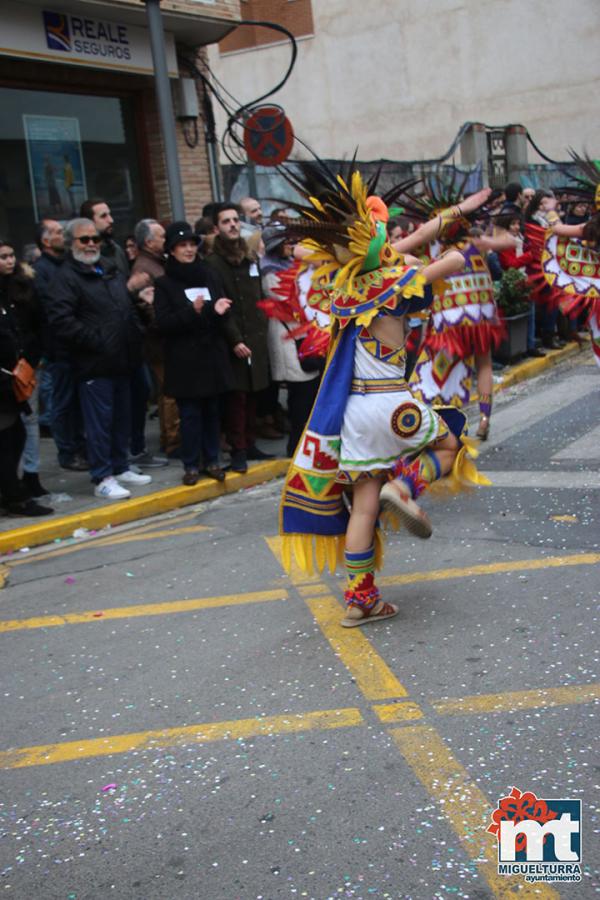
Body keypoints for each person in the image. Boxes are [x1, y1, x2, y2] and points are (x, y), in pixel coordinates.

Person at [279, 161, 490, 627]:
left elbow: (393, 250)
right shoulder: (396, 285)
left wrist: (439, 223)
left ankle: (360, 599)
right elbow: (454, 262)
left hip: (352, 414)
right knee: (451, 440)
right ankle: (407, 485)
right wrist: (449, 244)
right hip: (392, 405)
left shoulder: (343, 291)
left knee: (364, 502)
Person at [47, 218, 152, 500]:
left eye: (95, 238)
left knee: (121, 418)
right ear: (71, 244)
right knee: (99, 423)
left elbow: (125, 305)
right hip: (94, 362)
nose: (92, 243)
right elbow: (61, 321)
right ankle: (102, 475)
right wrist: (97, 341)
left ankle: (120, 466)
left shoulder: (108, 268)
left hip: (123, 357)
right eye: (84, 239)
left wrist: (135, 331)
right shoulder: (66, 277)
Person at [154, 222, 233, 485]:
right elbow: (162, 323)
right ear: (172, 251)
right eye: (182, 246)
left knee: (213, 412)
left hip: (211, 356)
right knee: (189, 415)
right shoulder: (165, 283)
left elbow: (218, 309)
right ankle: (190, 464)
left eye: (191, 245)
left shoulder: (208, 274)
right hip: (185, 361)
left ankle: (212, 460)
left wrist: (217, 309)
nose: (188, 250)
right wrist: (192, 312)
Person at [205, 203, 271, 473]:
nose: (232, 225)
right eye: (226, 221)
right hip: (232, 338)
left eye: (235, 220)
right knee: (237, 398)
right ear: (217, 228)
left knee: (255, 393)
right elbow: (221, 304)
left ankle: (250, 442)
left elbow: (257, 295)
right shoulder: (212, 263)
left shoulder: (249, 257)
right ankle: (238, 449)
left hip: (255, 335)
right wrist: (234, 339)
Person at [0, 238, 52, 515]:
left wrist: (32, 358)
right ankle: (13, 494)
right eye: (2, 257)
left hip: (21, 372)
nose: (8, 261)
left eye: (10, 255)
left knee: (20, 429)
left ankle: (18, 487)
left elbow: (34, 325)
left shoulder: (21, 288)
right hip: (4, 378)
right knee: (9, 435)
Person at [260, 223, 321, 456]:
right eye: (287, 243)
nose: (292, 246)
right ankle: (295, 447)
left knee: (309, 393)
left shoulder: (290, 266)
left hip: (303, 335)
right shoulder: (271, 272)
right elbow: (291, 299)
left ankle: (304, 446)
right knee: (300, 398)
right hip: (288, 338)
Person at [33, 219, 88, 472]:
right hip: (59, 348)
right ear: (45, 241)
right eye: (56, 233)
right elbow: (50, 310)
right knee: (63, 401)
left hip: (75, 348)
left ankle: (80, 445)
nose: (62, 236)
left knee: (77, 402)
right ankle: (67, 451)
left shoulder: (66, 265)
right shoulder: (41, 270)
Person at [128, 218, 173, 466]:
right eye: (161, 236)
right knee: (169, 392)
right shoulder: (144, 269)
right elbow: (149, 309)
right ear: (148, 241)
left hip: (163, 339)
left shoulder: (157, 263)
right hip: (159, 342)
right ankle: (173, 440)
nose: (165, 240)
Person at [79, 198, 129, 277]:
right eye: (103, 216)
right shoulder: (82, 258)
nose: (111, 220)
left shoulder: (117, 250)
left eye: (109, 215)